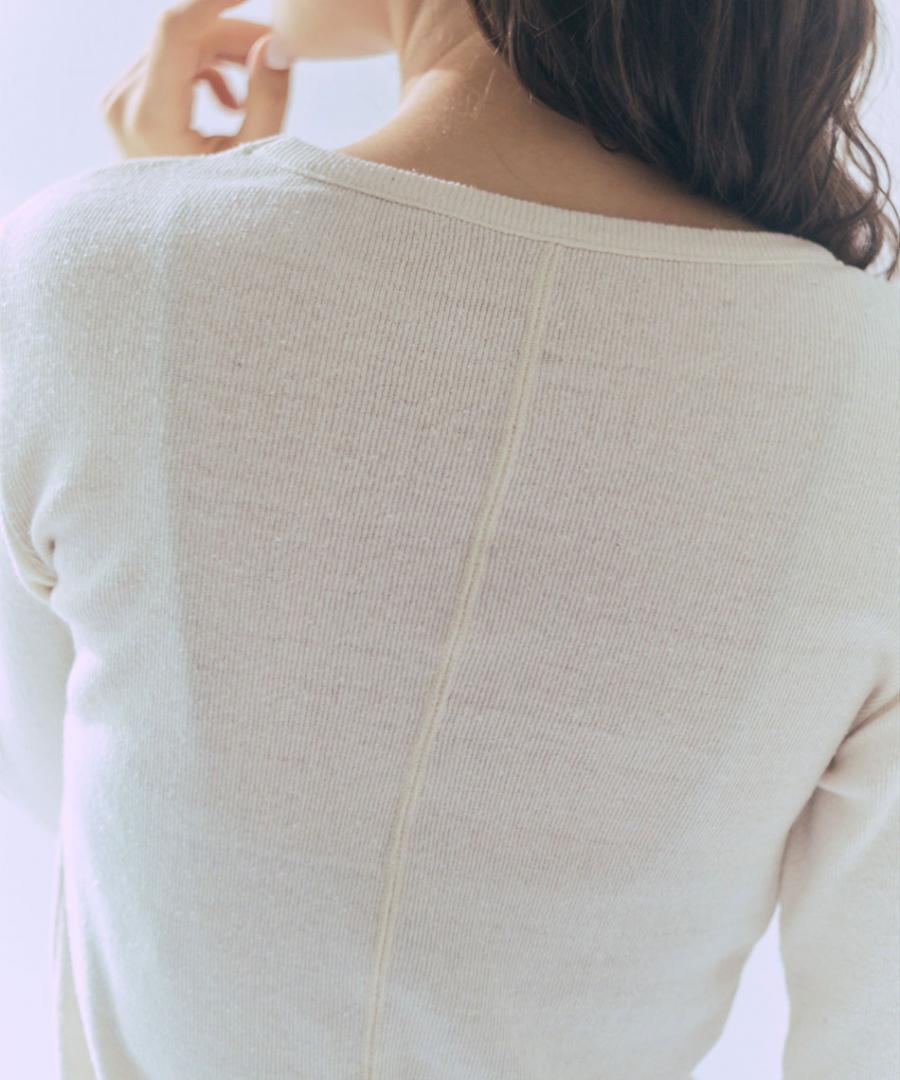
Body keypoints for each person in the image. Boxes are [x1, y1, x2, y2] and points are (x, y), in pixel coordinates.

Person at [0, 2, 896, 1078]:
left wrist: (156, 251)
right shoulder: (875, 402)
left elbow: (76, 793)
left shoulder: (83, 276)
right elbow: (872, 1025)